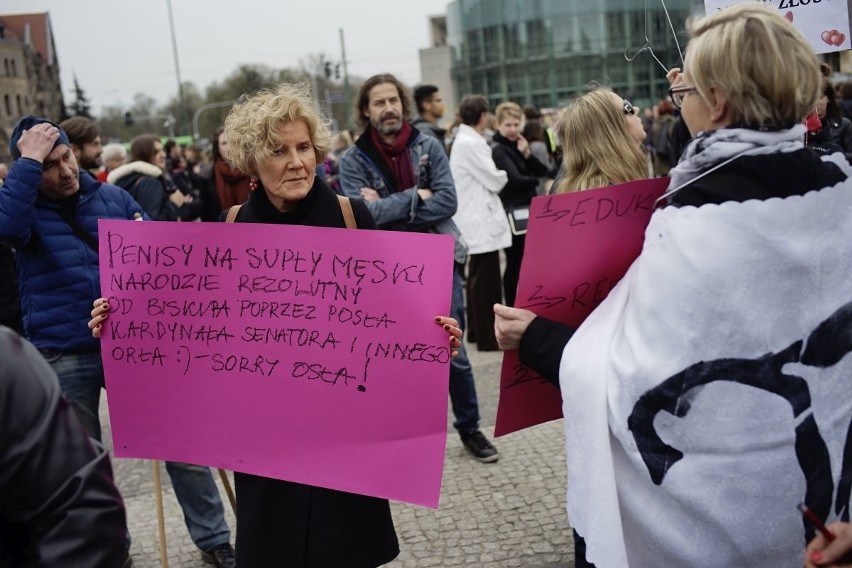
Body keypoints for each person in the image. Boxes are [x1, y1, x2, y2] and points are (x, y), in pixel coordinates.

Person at [493, 5, 851, 567]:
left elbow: (633, 384)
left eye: (687, 85)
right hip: (829, 511)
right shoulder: (842, 183)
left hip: (736, 524)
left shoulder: (694, 217)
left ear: (719, 103)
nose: (674, 93)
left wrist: (537, 337)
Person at [90, 81, 463, 568]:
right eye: (279, 150)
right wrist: (124, 321)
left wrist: (436, 337)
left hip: (345, 446)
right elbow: (197, 333)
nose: (296, 161)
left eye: (304, 147)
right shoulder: (230, 228)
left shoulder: (354, 218)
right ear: (251, 161)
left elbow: (395, 320)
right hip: (267, 453)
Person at [0, 117, 236, 568]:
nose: (64, 170)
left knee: (180, 445)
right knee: (81, 465)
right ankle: (111, 552)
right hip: (65, 349)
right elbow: (6, 229)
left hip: (133, 345)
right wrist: (27, 162)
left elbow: (157, 263)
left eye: (65, 156)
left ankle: (213, 538)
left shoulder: (114, 197)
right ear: (30, 169)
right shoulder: (22, 211)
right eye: (47, 165)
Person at [339, 72, 500, 463]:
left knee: (452, 349)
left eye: (393, 100)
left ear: (403, 104)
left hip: (437, 258)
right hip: (386, 268)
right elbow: (360, 217)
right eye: (379, 102)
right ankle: (410, 437)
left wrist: (388, 205)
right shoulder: (352, 159)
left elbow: (447, 202)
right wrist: (415, 197)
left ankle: (470, 428)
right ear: (366, 110)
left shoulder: (428, 144)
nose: (388, 108)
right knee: (394, 354)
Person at [0, 327, 130, 567]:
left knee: (177, 447)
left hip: (130, 339)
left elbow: (78, 507)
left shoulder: (6, 361)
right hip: (61, 346)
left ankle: (212, 539)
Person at [449, 94, 509, 352]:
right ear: (483, 116)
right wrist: (505, 173)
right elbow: (495, 180)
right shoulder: (469, 143)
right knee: (486, 284)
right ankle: (488, 337)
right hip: (479, 220)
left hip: (476, 218)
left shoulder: (465, 141)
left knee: (478, 280)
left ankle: (476, 332)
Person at [491, 101, 550, 307]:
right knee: (515, 262)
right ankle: (512, 304)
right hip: (512, 212)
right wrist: (533, 180)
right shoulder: (499, 150)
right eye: (508, 125)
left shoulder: (517, 145)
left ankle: (522, 301)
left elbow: (543, 170)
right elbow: (515, 180)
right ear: (498, 125)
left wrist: (526, 154)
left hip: (525, 209)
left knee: (525, 261)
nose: (513, 129)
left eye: (516, 124)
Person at [555, 88, 647, 194]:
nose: (636, 109)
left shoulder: (618, 181)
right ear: (610, 130)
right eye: (628, 107)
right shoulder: (604, 197)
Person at [108, 134, 202, 221]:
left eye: (162, 150)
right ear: (144, 155)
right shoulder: (150, 182)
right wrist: (174, 203)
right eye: (157, 152)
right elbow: (152, 223)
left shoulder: (130, 178)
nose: (163, 155)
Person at [211, 125, 252, 210]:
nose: (229, 147)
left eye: (232, 142)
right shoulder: (209, 175)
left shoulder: (251, 170)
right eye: (224, 143)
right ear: (217, 148)